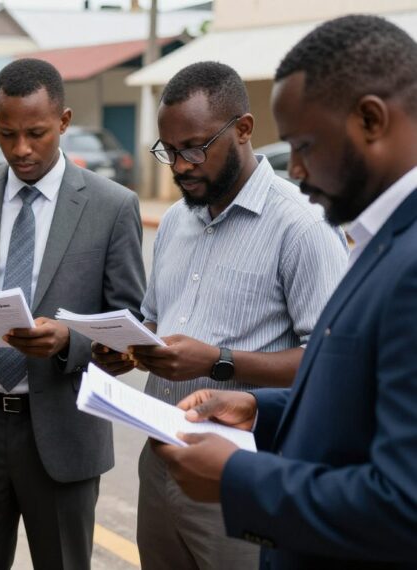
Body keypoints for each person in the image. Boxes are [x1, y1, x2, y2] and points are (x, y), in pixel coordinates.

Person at [154, 14, 417, 569]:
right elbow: (346, 393)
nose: (294, 167)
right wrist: (257, 407)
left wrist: (240, 477)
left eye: (303, 144)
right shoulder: (378, 235)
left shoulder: (399, 257)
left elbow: (404, 503)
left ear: (371, 119)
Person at [93, 61, 348, 570]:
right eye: (169, 151)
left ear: (244, 130)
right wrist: (127, 346)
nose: (181, 166)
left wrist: (219, 360)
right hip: (161, 462)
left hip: (241, 471)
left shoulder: (301, 226)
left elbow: (331, 366)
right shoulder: (172, 223)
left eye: (194, 148)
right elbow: (156, 321)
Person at [0, 58, 146, 569]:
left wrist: (70, 341)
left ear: (63, 122)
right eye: (7, 134)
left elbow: (132, 320)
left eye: (36, 133)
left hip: (64, 435)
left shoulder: (112, 206)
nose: (21, 149)